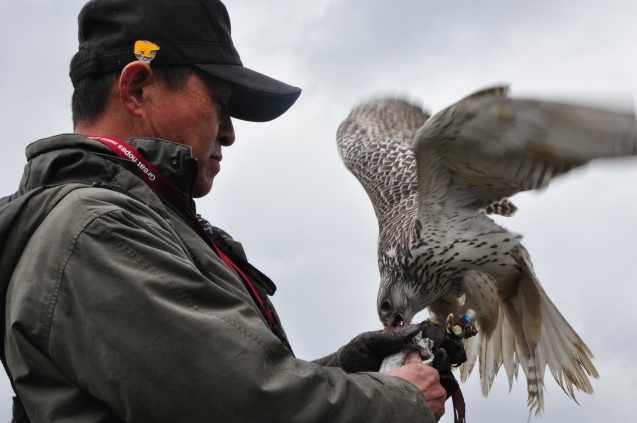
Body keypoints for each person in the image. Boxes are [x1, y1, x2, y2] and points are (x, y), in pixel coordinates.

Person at [0, 0, 448, 421]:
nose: (230, 133)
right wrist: (399, 400)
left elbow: (214, 385)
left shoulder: (130, 220)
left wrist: (344, 369)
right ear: (137, 90)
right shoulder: (95, 229)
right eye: (220, 103)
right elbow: (245, 407)